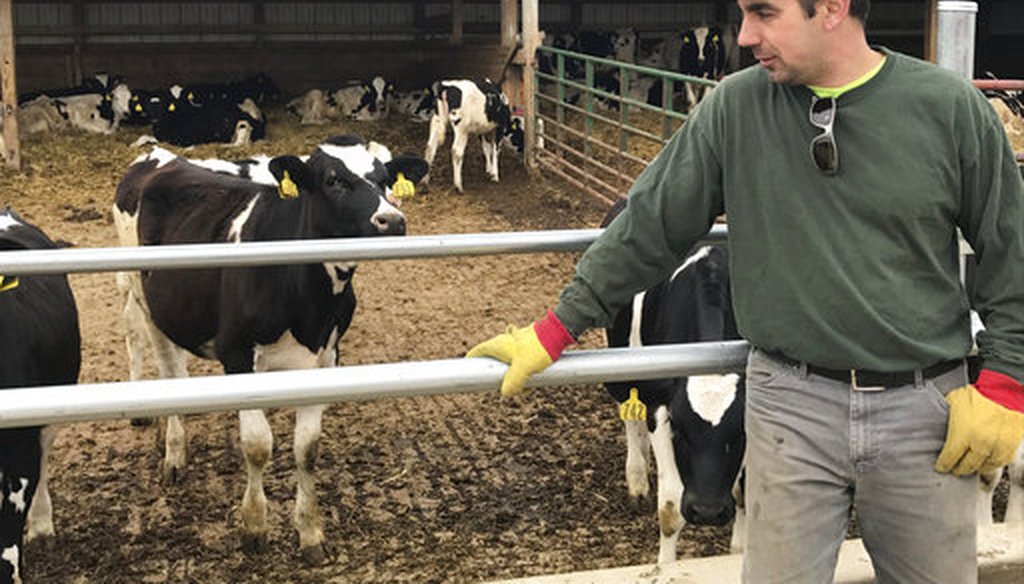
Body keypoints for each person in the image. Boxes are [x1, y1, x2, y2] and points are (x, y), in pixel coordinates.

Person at [466, 0, 1024, 582]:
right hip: (788, 403)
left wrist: (1008, 381)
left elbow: (1011, 249)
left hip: (925, 409)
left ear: (832, 8)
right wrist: (556, 328)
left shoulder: (949, 109)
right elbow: (648, 225)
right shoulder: (736, 106)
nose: (747, 35)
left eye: (764, 13)